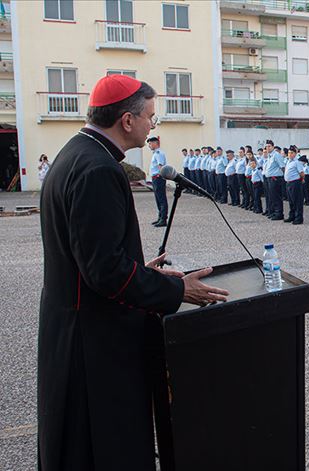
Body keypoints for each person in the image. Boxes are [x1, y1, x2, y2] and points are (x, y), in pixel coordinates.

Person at [38, 74, 229, 471]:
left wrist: (143, 273)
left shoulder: (77, 154)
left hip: (77, 323)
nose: (151, 125)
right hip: (93, 339)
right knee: (103, 444)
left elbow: (89, 256)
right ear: (127, 120)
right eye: (150, 117)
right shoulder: (98, 170)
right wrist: (177, 292)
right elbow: (104, 271)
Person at [147, 136, 168, 227]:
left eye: (151, 143)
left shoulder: (159, 153)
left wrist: (160, 176)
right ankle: (160, 217)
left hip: (158, 177)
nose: (149, 145)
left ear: (156, 143)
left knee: (161, 198)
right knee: (158, 199)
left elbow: (160, 167)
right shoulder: (155, 153)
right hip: (155, 178)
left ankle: (163, 219)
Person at [263, 140, 285, 220]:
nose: (267, 148)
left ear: (273, 147)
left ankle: (279, 213)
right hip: (269, 178)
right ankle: (274, 212)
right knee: (272, 196)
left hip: (275, 178)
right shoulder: (270, 156)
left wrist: (283, 178)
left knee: (276, 196)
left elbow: (282, 166)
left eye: (269, 146)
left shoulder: (276, 155)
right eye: (266, 147)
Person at [284, 146, 305, 224]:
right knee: (291, 201)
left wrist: (300, 180)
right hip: (289, 183)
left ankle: (299, 218)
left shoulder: (297, 162)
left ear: (295, 154)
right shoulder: (288, 161)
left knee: (297, 201)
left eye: (292, 153)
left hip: (295, 183)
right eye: (289, 153)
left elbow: (302, 173)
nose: (290, 154)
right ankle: (292, 216)